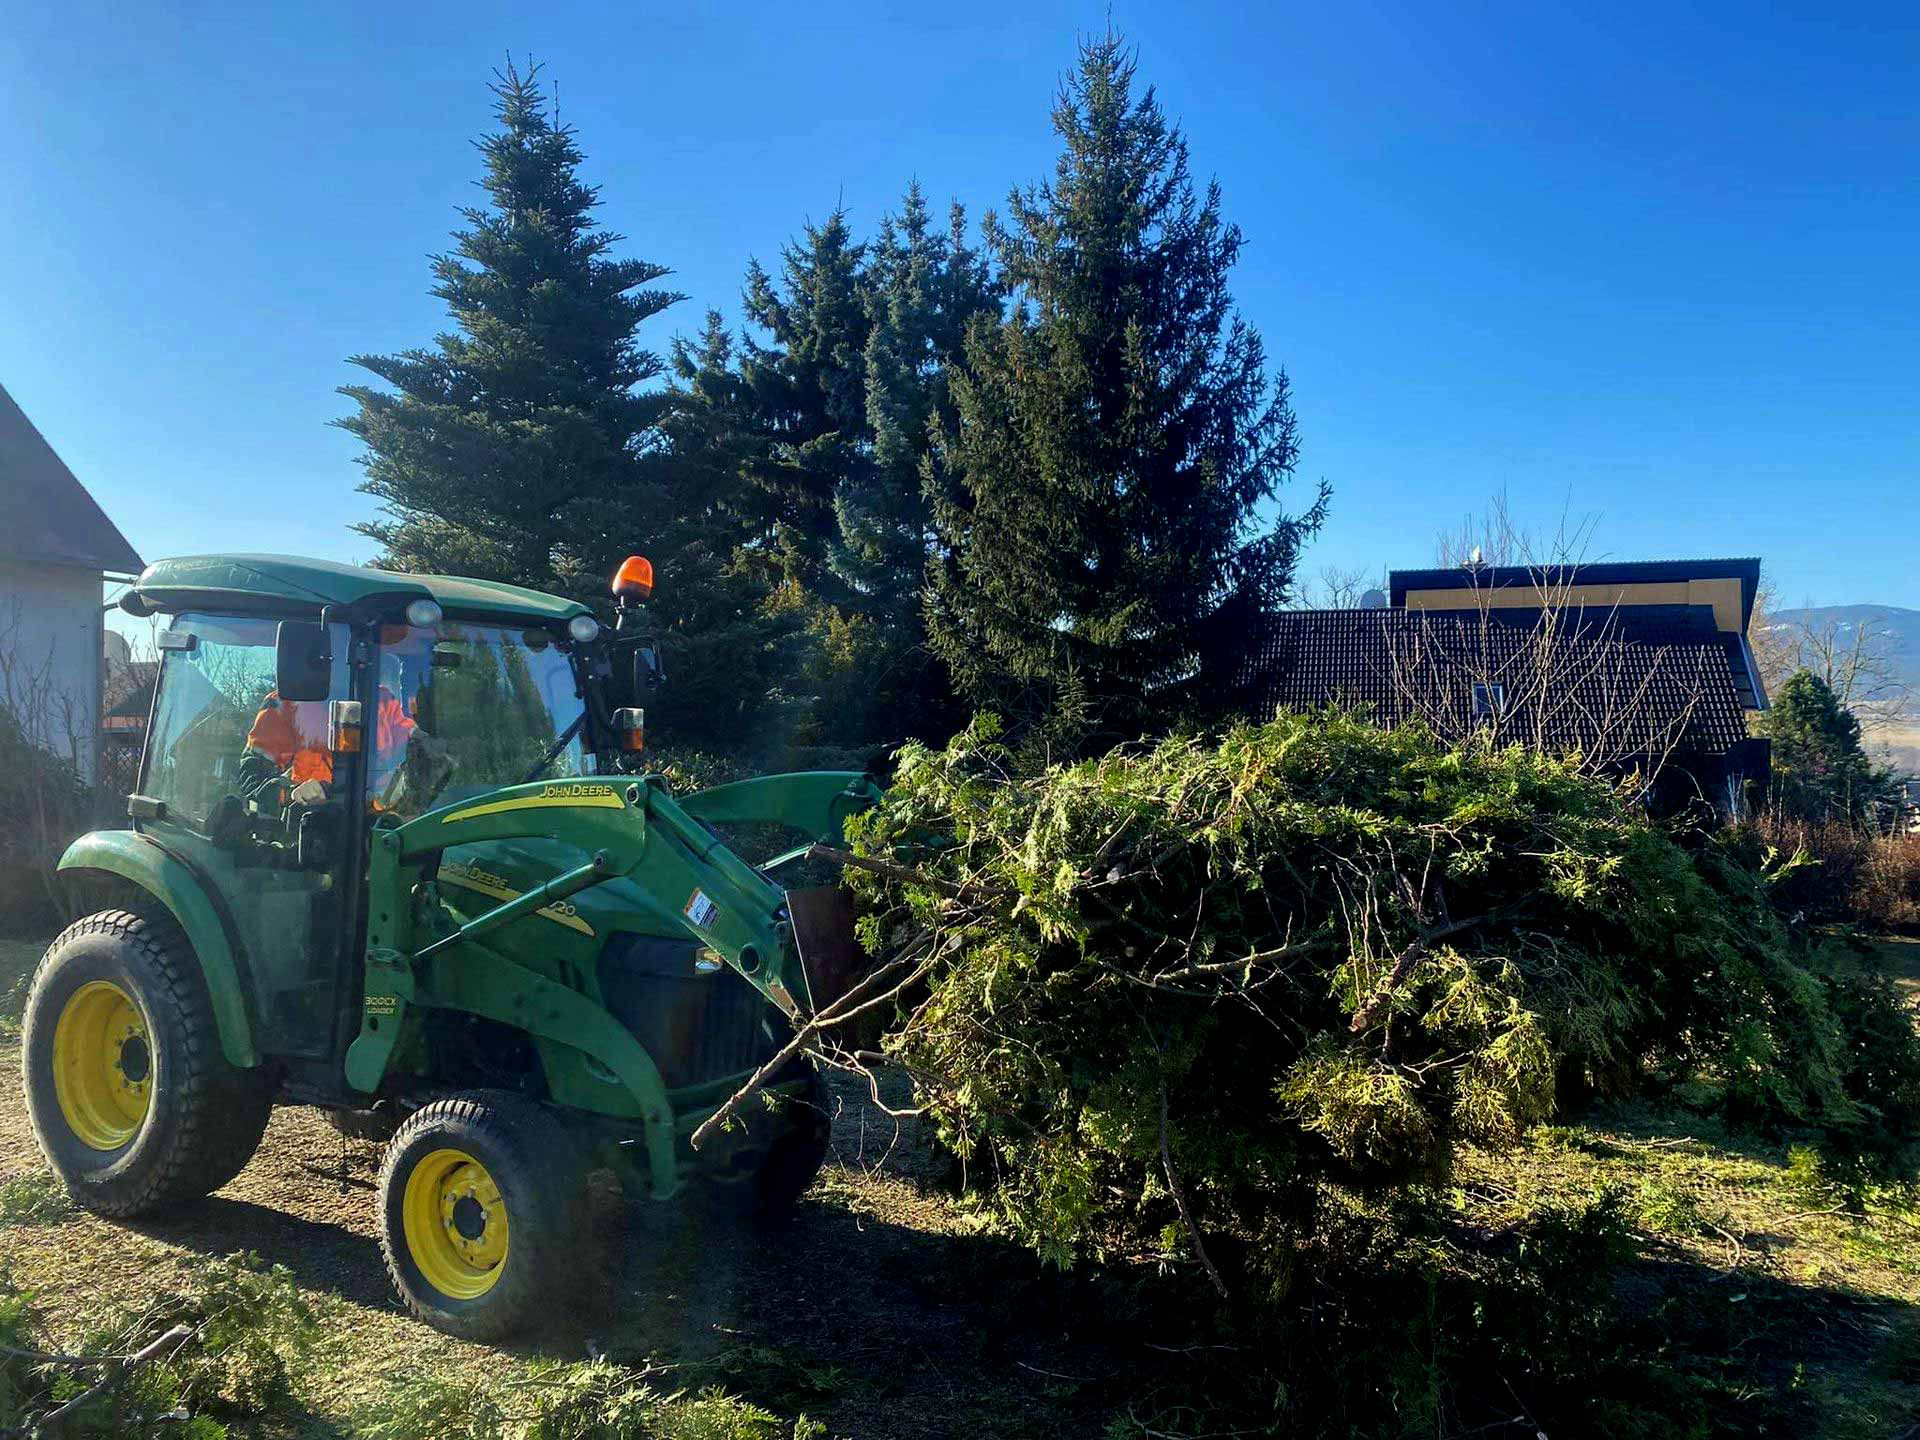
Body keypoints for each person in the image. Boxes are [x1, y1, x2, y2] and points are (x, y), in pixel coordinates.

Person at [244, 644, 421, 801]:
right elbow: (253, 778)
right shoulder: (286, 703)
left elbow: (418, 747)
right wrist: (292, 793)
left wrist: (431, 750)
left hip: (379, 824)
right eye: (336, 650)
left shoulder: (384, 703)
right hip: (308, 822)